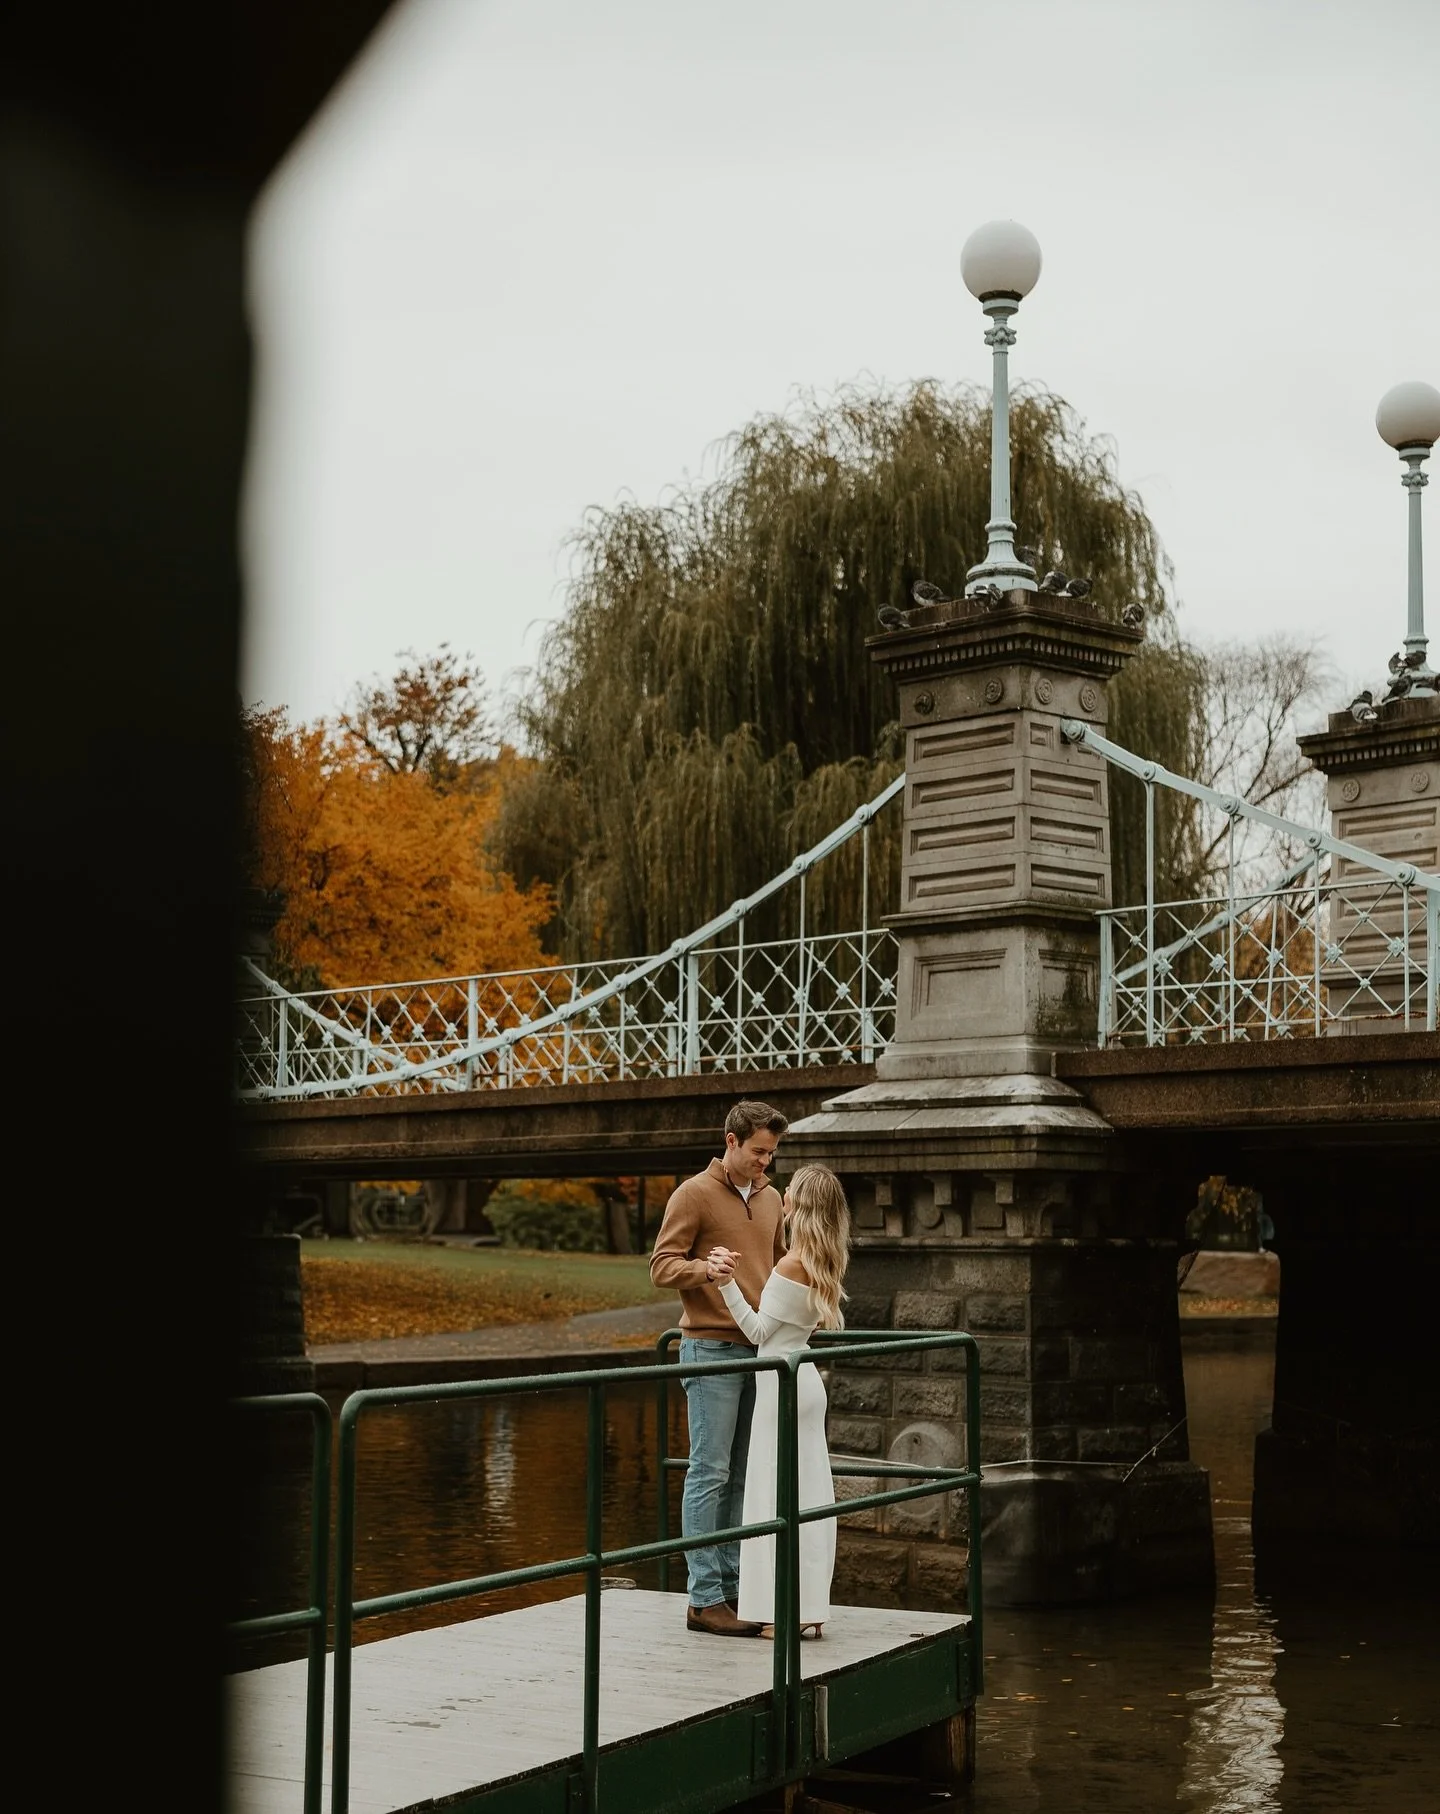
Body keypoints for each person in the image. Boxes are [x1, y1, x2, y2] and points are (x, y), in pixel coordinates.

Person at [648, 1100, 789, 1637]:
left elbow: (779, 1268)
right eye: (758, 1152)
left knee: (742, 1476)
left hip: (762, 1350)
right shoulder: (694, 1194)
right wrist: (706, 1269)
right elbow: (661, 1267)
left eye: (772, 1153)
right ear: (730, 1142)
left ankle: (731, 1590)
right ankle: (703, 1598)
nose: (766, 1163)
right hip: (710, 1349)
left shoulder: (773, 1198)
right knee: (709, 1473)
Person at [709, 1163, 851, 1640]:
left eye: (791, 1189)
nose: (783, 1191)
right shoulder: (824, 1261)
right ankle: (807, 1609)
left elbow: (757, 1334)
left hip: (780, 1385)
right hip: (804, 1381)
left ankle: (779, 1613)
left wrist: (725, 1282)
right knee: (809, 1495)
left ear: (801, 1204)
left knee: (771, 1498)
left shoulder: (792, 1264)